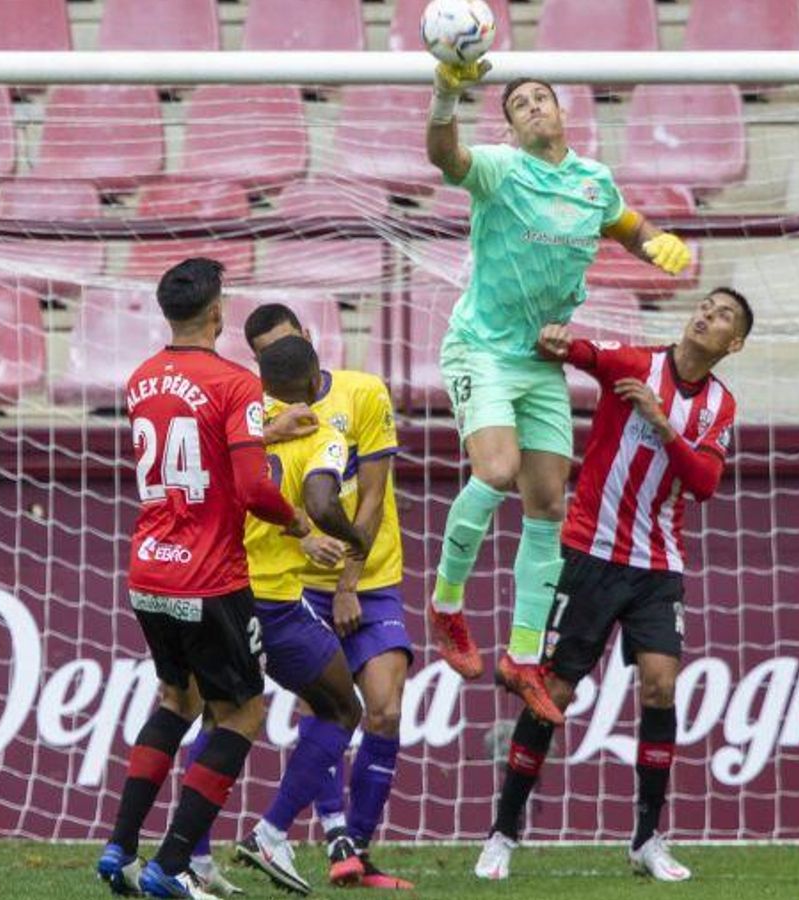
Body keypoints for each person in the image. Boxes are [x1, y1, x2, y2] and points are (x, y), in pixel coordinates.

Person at [425, 63, 693, 725]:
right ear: (510, 126)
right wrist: (446, 94)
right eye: (520, 103)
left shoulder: (592, 182)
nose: (534, 107)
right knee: (496, 469)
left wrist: (656, 243)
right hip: (481, 349)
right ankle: (447, 604)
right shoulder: (499, 170)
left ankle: (521, 657)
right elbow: (446, 154)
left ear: (562, 111)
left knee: (547, 504)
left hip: (539, 360)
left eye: (542, 97)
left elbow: (626, 225)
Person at [473, 288, 751, 882]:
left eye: (723, 315)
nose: (706, 314)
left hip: (659, 564)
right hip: (590, 552)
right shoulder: (636, 364)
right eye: (704, 305)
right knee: (554, 692)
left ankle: (647, 839)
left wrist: (659, 422)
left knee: (660, 686)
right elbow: (581, 352)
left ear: (735, 343)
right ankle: (503, 831)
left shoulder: (721, 407)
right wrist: (556, 341)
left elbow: (704, 483)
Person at [96, 258, 306, 900]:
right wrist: (295, 520)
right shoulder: (235, 382)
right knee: (241, 713)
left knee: (176, 700)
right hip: (209, 577)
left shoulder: (140, 379)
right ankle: (172, 865)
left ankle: (119, 851)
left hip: (149, 567)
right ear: (218, 312)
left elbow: (198, 452)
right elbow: (247, 486)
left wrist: (263, 432)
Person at [246, 303, 416, 890]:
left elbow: (371, 496)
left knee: (386, 707)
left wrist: (349, 579)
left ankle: (357, 851)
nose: (281, 360)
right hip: (297, 587)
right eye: (268, 355)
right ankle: (333, 831)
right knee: (326, 704)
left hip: (370, 577)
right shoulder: (262, 413)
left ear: (307, 341)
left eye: (286, 345)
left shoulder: (362, 393)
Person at [229, 337, 372, 897]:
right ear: (316, 382)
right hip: (274, 603)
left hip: (218, 590)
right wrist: (353, 536)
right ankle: (269, 831)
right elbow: (319, 501)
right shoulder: (323, 433)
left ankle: (184, 855)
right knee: (342, 707)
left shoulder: (239, 422)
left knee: (213, 716)